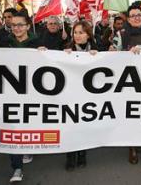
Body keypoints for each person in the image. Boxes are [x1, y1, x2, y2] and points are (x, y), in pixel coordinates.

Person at [0, 11, 39, 182]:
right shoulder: (3, 42)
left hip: (32, 92)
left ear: (27, 26)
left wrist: (45, 53)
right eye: (13, 25)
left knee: (29, 122)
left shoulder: (37, 42)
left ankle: (28, 147)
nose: (17, 28)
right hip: (9, 93)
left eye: (20, 25)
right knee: (13, 127)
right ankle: (17, 167)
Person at [111, 4, 141, 165]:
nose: (137, 17)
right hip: (128, 83)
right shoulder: (121, 34)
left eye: (139, 15)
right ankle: (132, 147)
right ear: (128, 19)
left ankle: (140, 138)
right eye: (133, 15)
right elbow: (111, 56)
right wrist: (126, 54)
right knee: (131, 114)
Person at [63, 20, 98, 171]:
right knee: (70, 125)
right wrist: (62, 56)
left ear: (88, 35)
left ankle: (82, 153)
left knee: (83, 125)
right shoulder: (66, 49)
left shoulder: (97, 49)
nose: (77, 36)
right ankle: (70, 155)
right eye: (75, 33)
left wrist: (98, 57)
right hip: (70, 94)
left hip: (88, 96)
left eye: (81, 32)